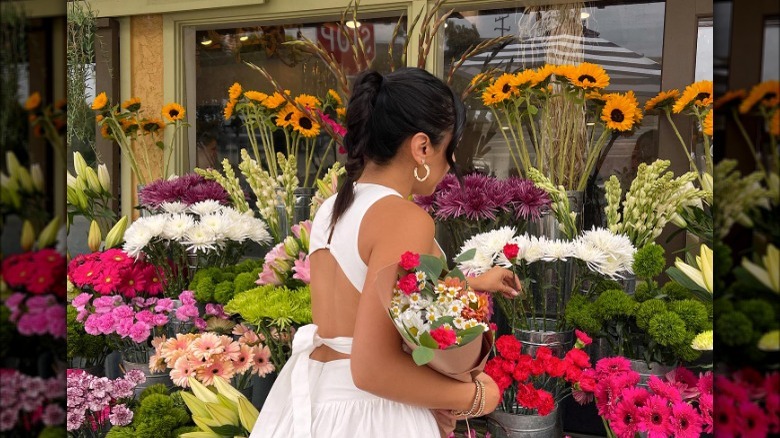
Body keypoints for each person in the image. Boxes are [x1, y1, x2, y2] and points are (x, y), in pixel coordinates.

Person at [250, 68, 522, 438]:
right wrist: (475, 396)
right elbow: (372, 369)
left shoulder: (335, 205)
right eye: (450, 151)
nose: (448, 167)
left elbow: (366, 293)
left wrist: (472, 283)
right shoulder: (401, 216)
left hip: (314, 402)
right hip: (372, 415)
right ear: (422, 147)